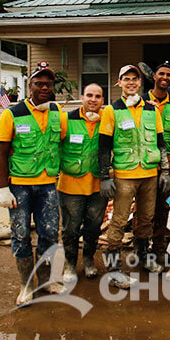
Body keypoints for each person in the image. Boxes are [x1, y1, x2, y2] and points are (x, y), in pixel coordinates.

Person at [0, 61, 67, 306]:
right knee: (21, 234)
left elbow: (63, 143)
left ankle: (47, 281)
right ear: (30, 85)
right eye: (39, 83)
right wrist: (3, 188)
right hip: (19, 186)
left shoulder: (57, 112)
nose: (44, 87)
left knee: (49, 233)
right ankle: (25, 286)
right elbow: (1, 152)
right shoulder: (13, 114)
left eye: (48, 84)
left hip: (47, 184)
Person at [98, 65, 170, 288]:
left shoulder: (152, 110)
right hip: (124, 175)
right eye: (126, 79)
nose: (131, 83)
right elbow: (103, 146)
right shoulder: (112, 111)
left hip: (149, 173)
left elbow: (160, 144)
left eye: (135, 79)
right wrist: (104, 176)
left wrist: (165, 171)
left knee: (145, 219)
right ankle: (114, 268)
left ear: (140, 83)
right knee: (119, 221)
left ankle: (142, 257)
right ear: (119, 82)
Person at [58, 83, 106, 282]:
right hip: (71, 185)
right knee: (71, 228)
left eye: (97, 96)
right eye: (89, 95)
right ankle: (70, 263)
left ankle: (88, 260)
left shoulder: (107, 120)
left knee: (93, 227)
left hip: (98, 185)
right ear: (82, 97)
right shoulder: (67, 120)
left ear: (103, 100)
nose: (93, 99)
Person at [143, 62, 170, 261]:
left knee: (163, 208)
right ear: (154, 77)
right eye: (161, 73)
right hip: (145, 166)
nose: (165, 77)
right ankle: (142, 248)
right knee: (144, 208)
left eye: (168, 75)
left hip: (169, 166)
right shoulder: (141, 101)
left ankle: (158, 249)